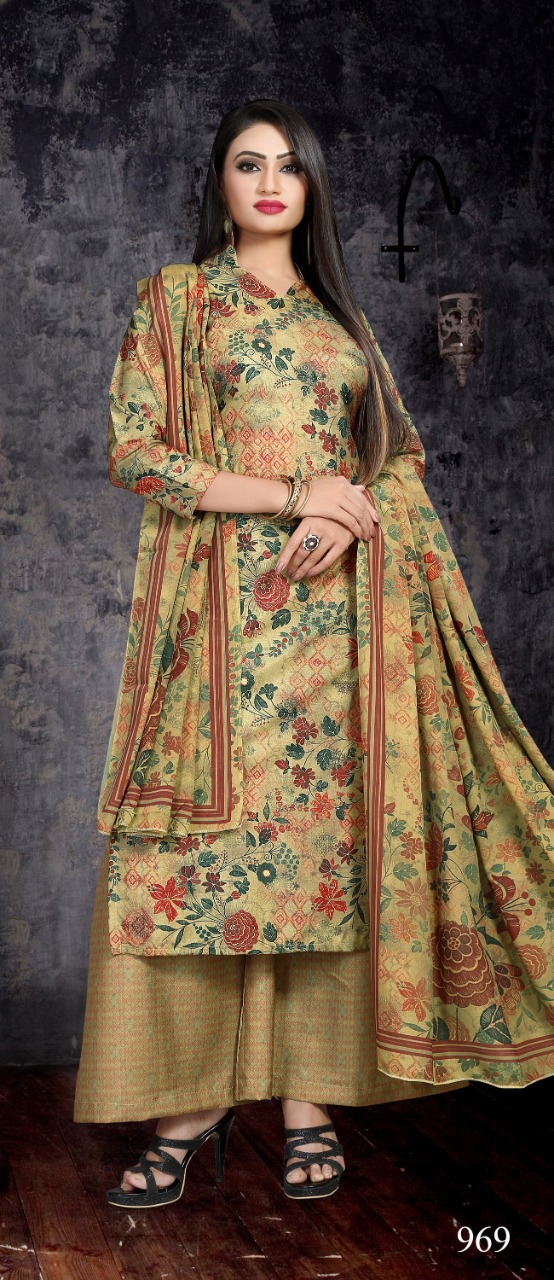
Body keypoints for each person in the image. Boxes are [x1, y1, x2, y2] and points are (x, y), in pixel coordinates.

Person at [73, 99, 554, 1209]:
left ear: (313, 186)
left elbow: (397, 459)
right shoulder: (178, 300)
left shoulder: (343, 322)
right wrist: (299, 492)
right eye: (249, 164)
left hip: (340, 635)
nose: (270, 182)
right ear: (220, 182)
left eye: (289, 166)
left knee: (320, 864)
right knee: (198, 865)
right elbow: (136, 454)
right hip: (217, 628)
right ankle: (189, 1108)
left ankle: (308, 1103)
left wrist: (351, 510)